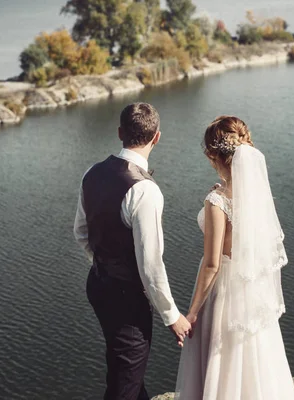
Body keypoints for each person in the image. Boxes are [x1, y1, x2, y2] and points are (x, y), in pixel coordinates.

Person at [174, 116, 294, 400]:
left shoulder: (217, 201)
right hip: (250, 293)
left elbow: (213, 263)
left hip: (223, 295)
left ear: (213, 155)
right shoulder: (255, 197)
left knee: (221, 362)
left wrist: (191, 314)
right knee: (255, 360)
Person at [74, 103, 191, 400]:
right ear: (157, 137)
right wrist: (172, 316)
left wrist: (105, 265)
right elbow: (150, 265)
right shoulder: (145, 191)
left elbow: (81, 233)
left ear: (119, 133)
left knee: (124, 365)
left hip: (98, 285)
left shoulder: (91, 173)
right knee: (124, 378)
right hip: (126, 299)